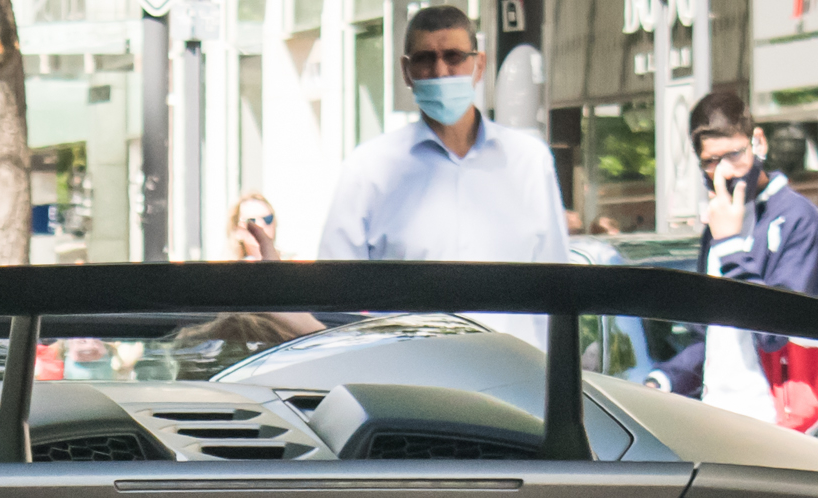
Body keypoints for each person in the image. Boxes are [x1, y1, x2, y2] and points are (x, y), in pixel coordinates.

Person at [316, 5, 568, 348]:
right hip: (408, 382)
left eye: (453, 56)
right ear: (406, 71)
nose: (440, 71)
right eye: (425, 59)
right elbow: (333, 296)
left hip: (515, 380)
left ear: (479, 65)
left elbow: (557, 289)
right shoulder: (369, 169)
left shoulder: (528, 162)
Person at [645, 91, 818, 431]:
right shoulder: (719, 221)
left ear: (757, 142)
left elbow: (775, 330)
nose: (724, 173)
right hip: (715, 417)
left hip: (777, 425)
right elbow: (714, 333)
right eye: (710, 161)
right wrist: (666, 379)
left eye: (734, 155)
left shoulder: (798, 219)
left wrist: (732, 245)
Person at [228, 192, 285, 261]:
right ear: (237, 229)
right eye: (251, 221)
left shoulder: (292, 265)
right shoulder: (229, 269)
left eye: (267, 219)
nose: (260, 225)